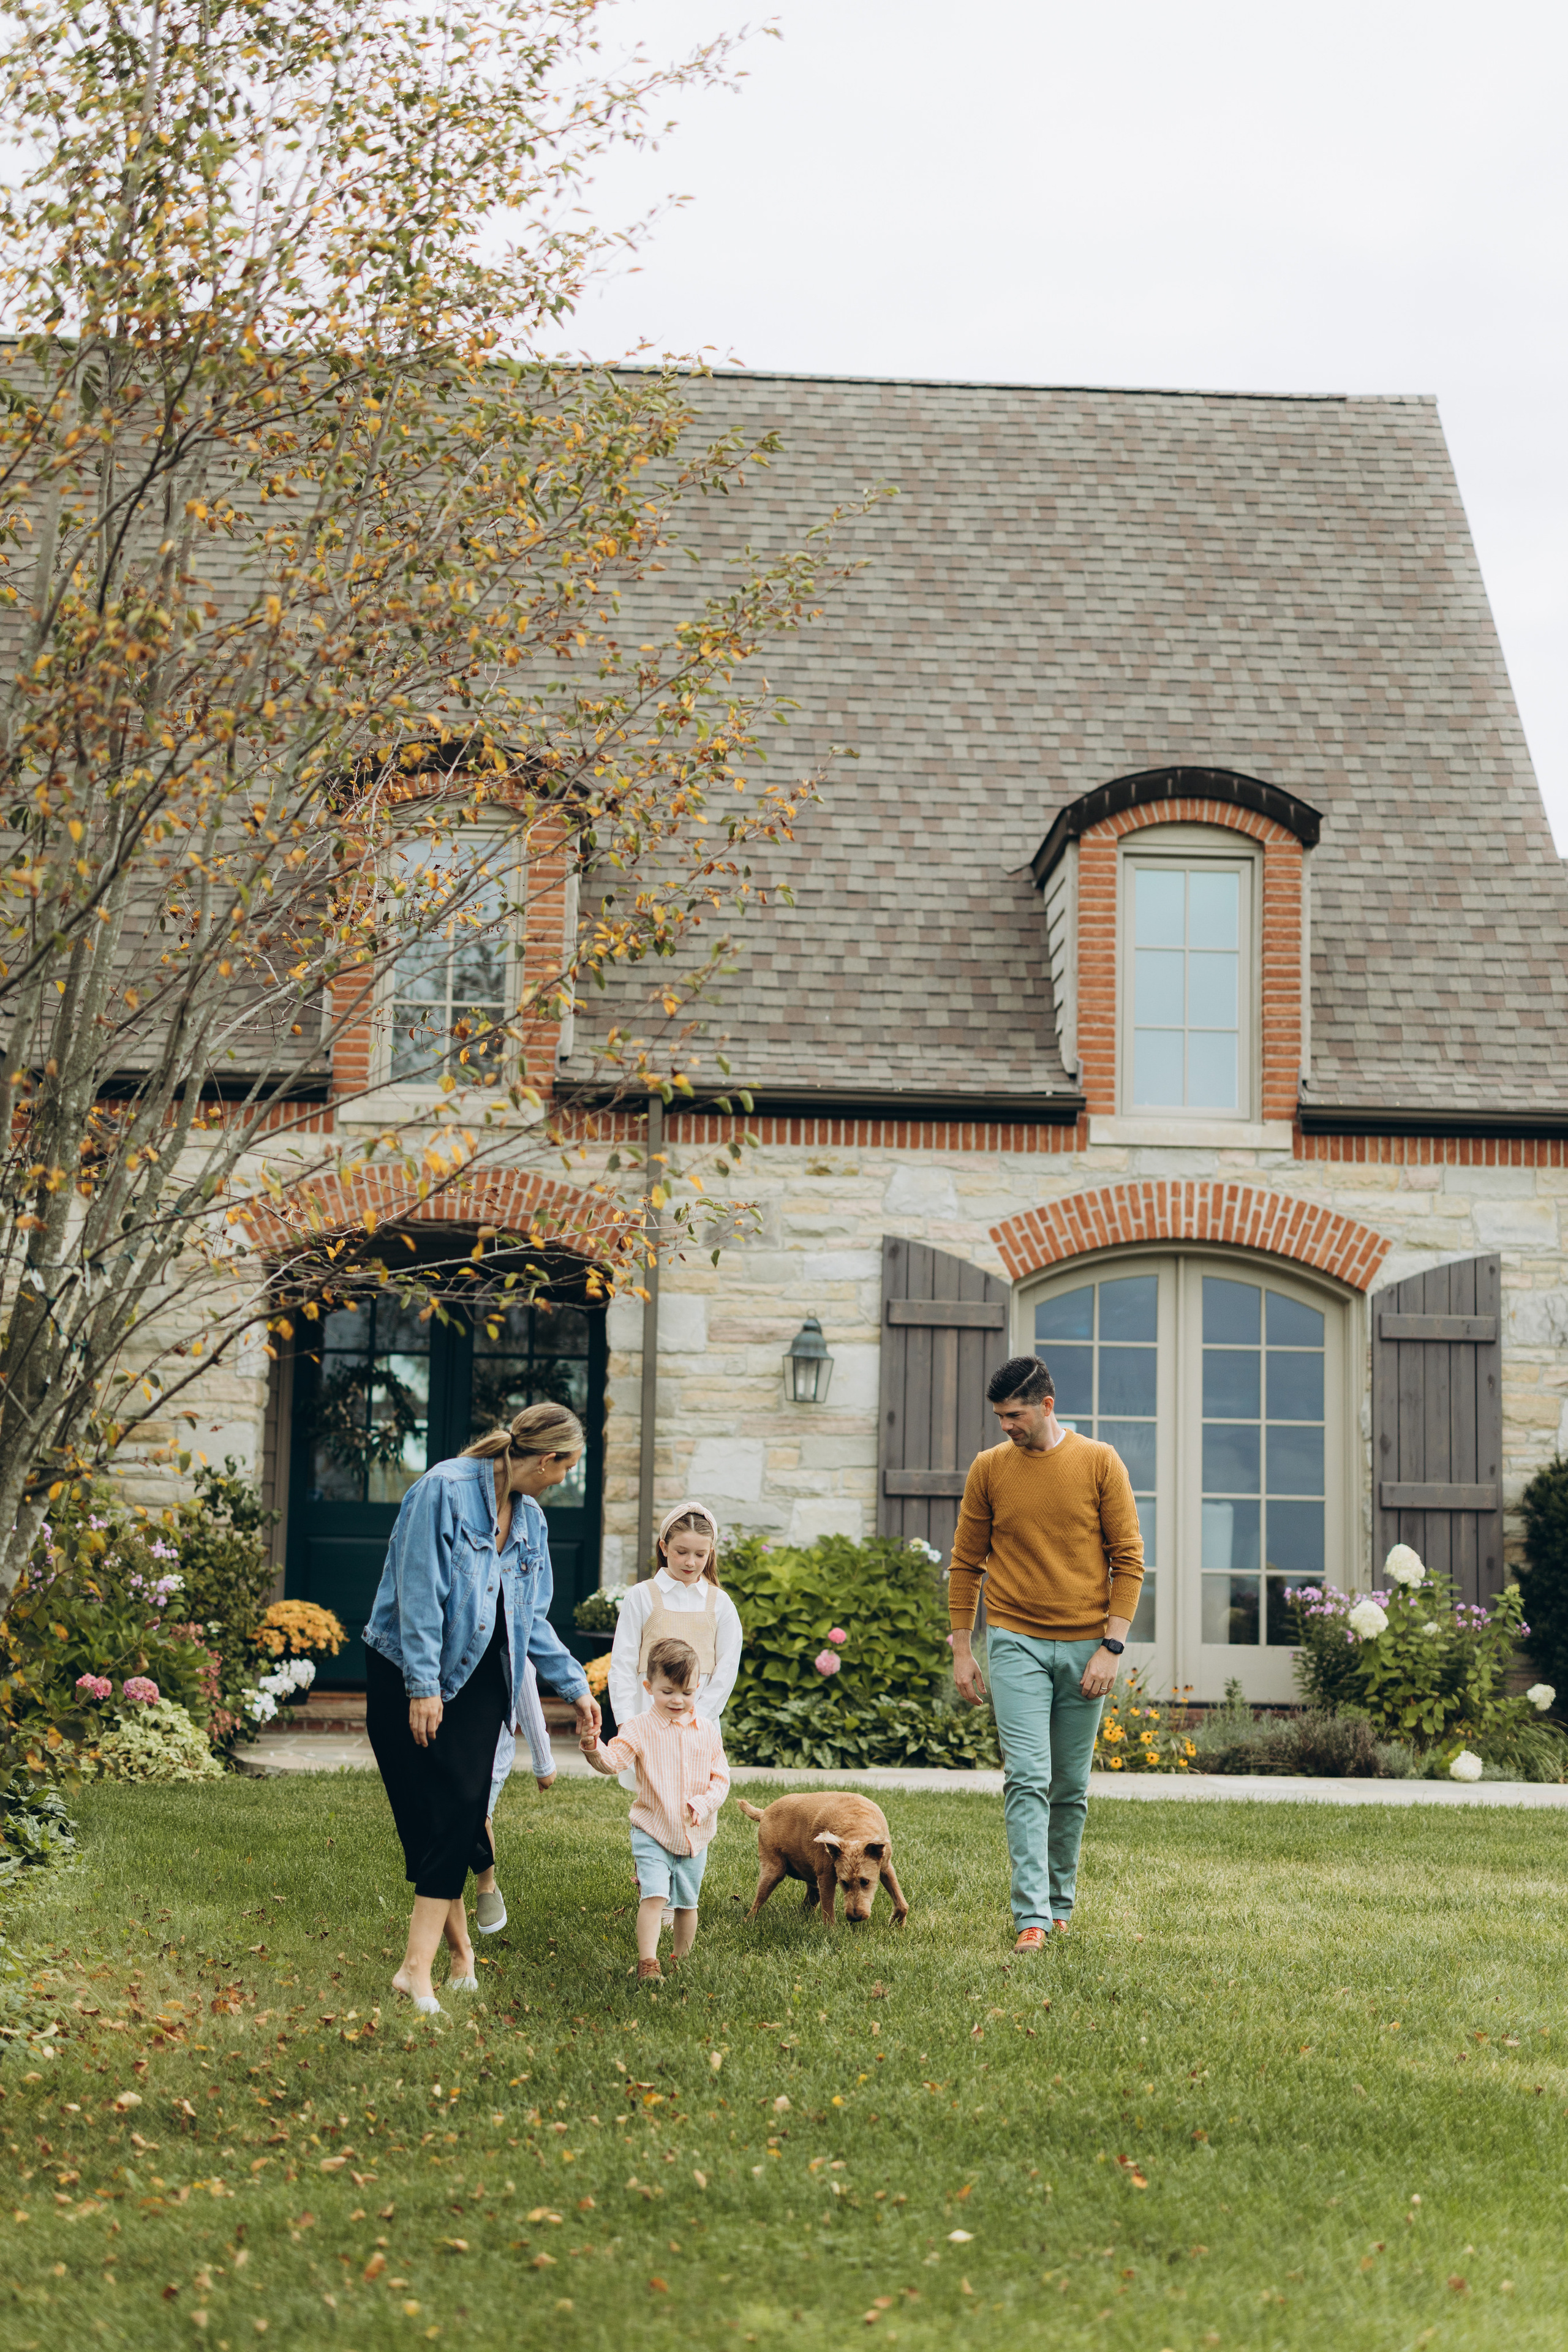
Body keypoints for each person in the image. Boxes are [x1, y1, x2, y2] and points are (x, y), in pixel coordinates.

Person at [362, 1398, 599, 2014]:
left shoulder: (532, 1522)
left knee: (463, 1812)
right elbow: (418, 1594)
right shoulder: (442, 1490)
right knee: (428, 1826)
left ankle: (416, 1970)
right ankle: (449, 1957)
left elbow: (532, 1619)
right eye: (566, 1468)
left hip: (481, 1679)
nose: (564, 1479)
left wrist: (574, 1687)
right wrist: (421, 1687)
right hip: (408, 1671)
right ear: (548, 1459)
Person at [949, 1355, 1143, 1954]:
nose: (1006, 1426)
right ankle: (1030, 1915)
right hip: (1014, 1641)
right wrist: (962, 1648)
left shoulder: (1098, 1462)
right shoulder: (989, 1470)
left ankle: (1061, 1905)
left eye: (1015, 1415)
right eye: (999, 1417)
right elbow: (965, 1564)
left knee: (1069, 1787)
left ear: (1047, 1407)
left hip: (1088, 1645)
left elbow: (1129, 1559)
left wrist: (1111, 1647)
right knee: (1027, 1778)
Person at [606, 1500, 742, 1932]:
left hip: (697, 1725)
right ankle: (654, 1885)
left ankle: (682, 1888)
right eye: (682, 1551)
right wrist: (631, 1722)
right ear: (664, 1547)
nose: (690, 1561)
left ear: (711, 1554)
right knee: (656, 1801)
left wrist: (698, 1716)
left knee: (690, 1803)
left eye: (700, 1554)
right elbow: (624, 1664)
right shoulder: (641, 1597)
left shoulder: (720, 1605)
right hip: (649, 1722)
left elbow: (726, 1668)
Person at [580, 1635, 729, 1984]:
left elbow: (721, 1780)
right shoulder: (639, 1728)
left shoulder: (706, 1731)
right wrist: (593, 1749)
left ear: (698, 1689)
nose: (678, 1700)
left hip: (695, 1834)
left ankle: (680, 1959)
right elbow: (614, 1761)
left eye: (687, 1693)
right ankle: (650, 1962)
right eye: (667, 1692)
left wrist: (703, 1804)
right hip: (652, 1829)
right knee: (655, 1895)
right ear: (649, 1687)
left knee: (687, 1903)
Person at [474, 1656, 556, 1937]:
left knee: (478, 1816)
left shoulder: (506, 1633)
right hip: (443, 1736)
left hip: (489, 1748)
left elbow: (525, 1688)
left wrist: (543, 1761)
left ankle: (486, 1885)